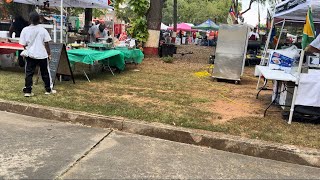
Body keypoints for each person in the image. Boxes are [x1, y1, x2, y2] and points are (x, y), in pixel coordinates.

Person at [19, 11, 55, 97]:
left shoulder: (25, 30)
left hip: (30, 54)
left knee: (29, 73)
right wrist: (49, 54)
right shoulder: (43, 30)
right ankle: (48, 89)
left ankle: (28, 91)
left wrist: (27, 49)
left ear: (29, 19)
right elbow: (46, 43)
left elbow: (23, 44)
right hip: (42, 54)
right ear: (39, 20)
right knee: (45, 72)